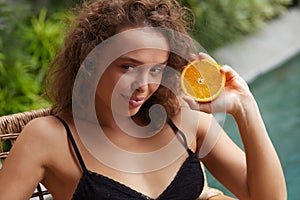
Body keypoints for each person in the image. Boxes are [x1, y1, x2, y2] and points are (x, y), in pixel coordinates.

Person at [0, 0, 286, 199]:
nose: (143, 85)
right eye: (127, 67)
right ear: (90, 62)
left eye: (156, 69)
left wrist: (245, 108)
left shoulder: (185, 120)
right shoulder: (48, 138)